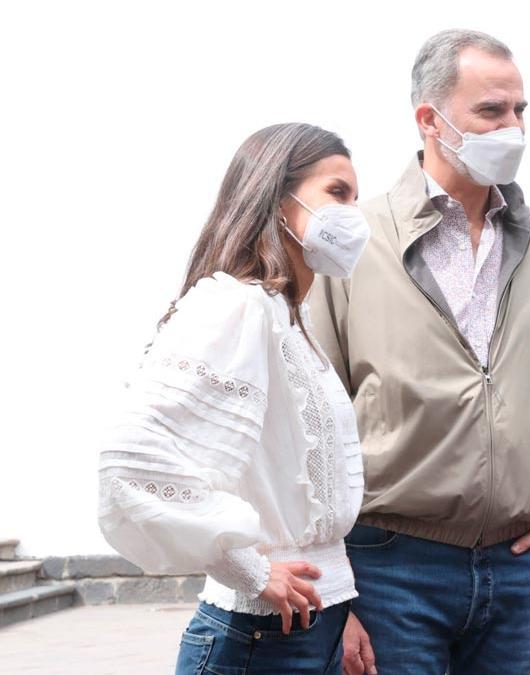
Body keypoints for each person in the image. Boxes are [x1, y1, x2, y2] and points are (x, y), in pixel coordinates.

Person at [305, 29, 530, 675]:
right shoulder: (356, 243)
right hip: (391, 567)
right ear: (430, 120)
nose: (513, 128)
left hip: (523, 567)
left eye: (520, 110)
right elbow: (311, 413)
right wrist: (335, 586)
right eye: (491, 112)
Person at [98, 123, 370, 674]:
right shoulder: (237, 306)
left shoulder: (291, 320)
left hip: (311, 626)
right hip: (256, 640)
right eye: (337, 193)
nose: (353, 215)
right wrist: (250, 570)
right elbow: (129, 462)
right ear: (277, 198)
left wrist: (344, 609)